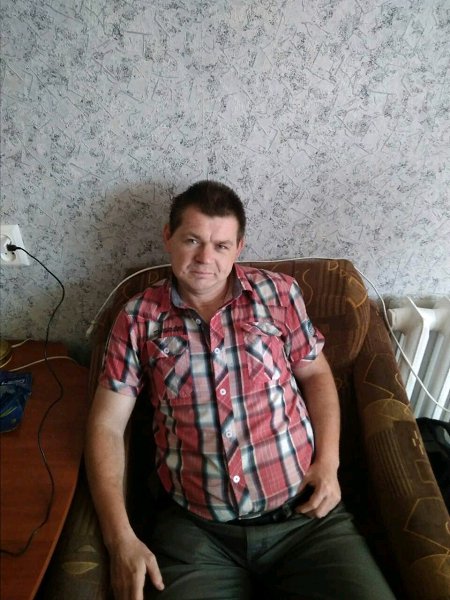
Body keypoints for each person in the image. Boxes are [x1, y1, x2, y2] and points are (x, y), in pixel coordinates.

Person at [85, 180, 396, 600]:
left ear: (239, 248)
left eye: (221, 246)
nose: (205, 259)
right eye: (192, 240)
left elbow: (316, 375)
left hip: (305, 519)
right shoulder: (138, 317)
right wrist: (120, 539)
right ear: (168, 236)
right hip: (197, 534)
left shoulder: (279, 294)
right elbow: (106, 425)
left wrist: (329, 463)